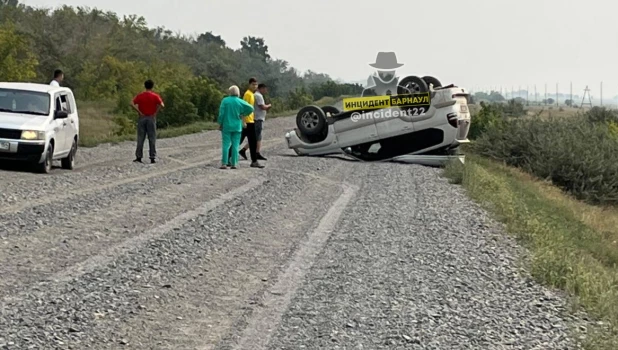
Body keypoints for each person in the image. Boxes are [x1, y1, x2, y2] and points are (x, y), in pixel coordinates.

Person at [218, 85, 254, 169]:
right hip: (237, 126)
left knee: (226, 144)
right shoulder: (240, 101)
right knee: (235, 145)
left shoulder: (225, 101)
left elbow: (221, 114)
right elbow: (251, 108)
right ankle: (234, 163)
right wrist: (243, 114)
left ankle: (224, 163)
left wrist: (220, 123)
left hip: (226, 125)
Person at [131, 79, 164, 164]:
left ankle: (139, 157)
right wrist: (155, 113)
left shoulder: (140, 96)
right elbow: (162, 105)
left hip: (142, 117)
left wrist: (139, 112)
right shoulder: (155, 96)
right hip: (151, 117)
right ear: (152, 86)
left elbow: (132, 103)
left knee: (140, 138)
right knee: (152, 138)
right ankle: (152, 157)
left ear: (145, 86)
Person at [234, 77, 264, 168]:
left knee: (251, 141)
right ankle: (228, 157)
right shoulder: (248, 94)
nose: (255, 86)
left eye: (256, 84)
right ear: (249, 85)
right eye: (253, 84)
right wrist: (243, 121)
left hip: (251, 120)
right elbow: (243, 108)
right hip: (247, 122)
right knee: (241, 141)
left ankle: (254, 161)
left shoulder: (252, 94)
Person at [253, 83, 271, 159]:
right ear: (261, 88)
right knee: (258, 136)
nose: (265, 91)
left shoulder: (256, 95)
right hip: (258, 118)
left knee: (256, 136)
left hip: (257, 117)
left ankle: (244, 150)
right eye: (264, 89)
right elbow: (262, 107)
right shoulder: (258, 96)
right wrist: (269, 106)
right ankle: (257, 153)